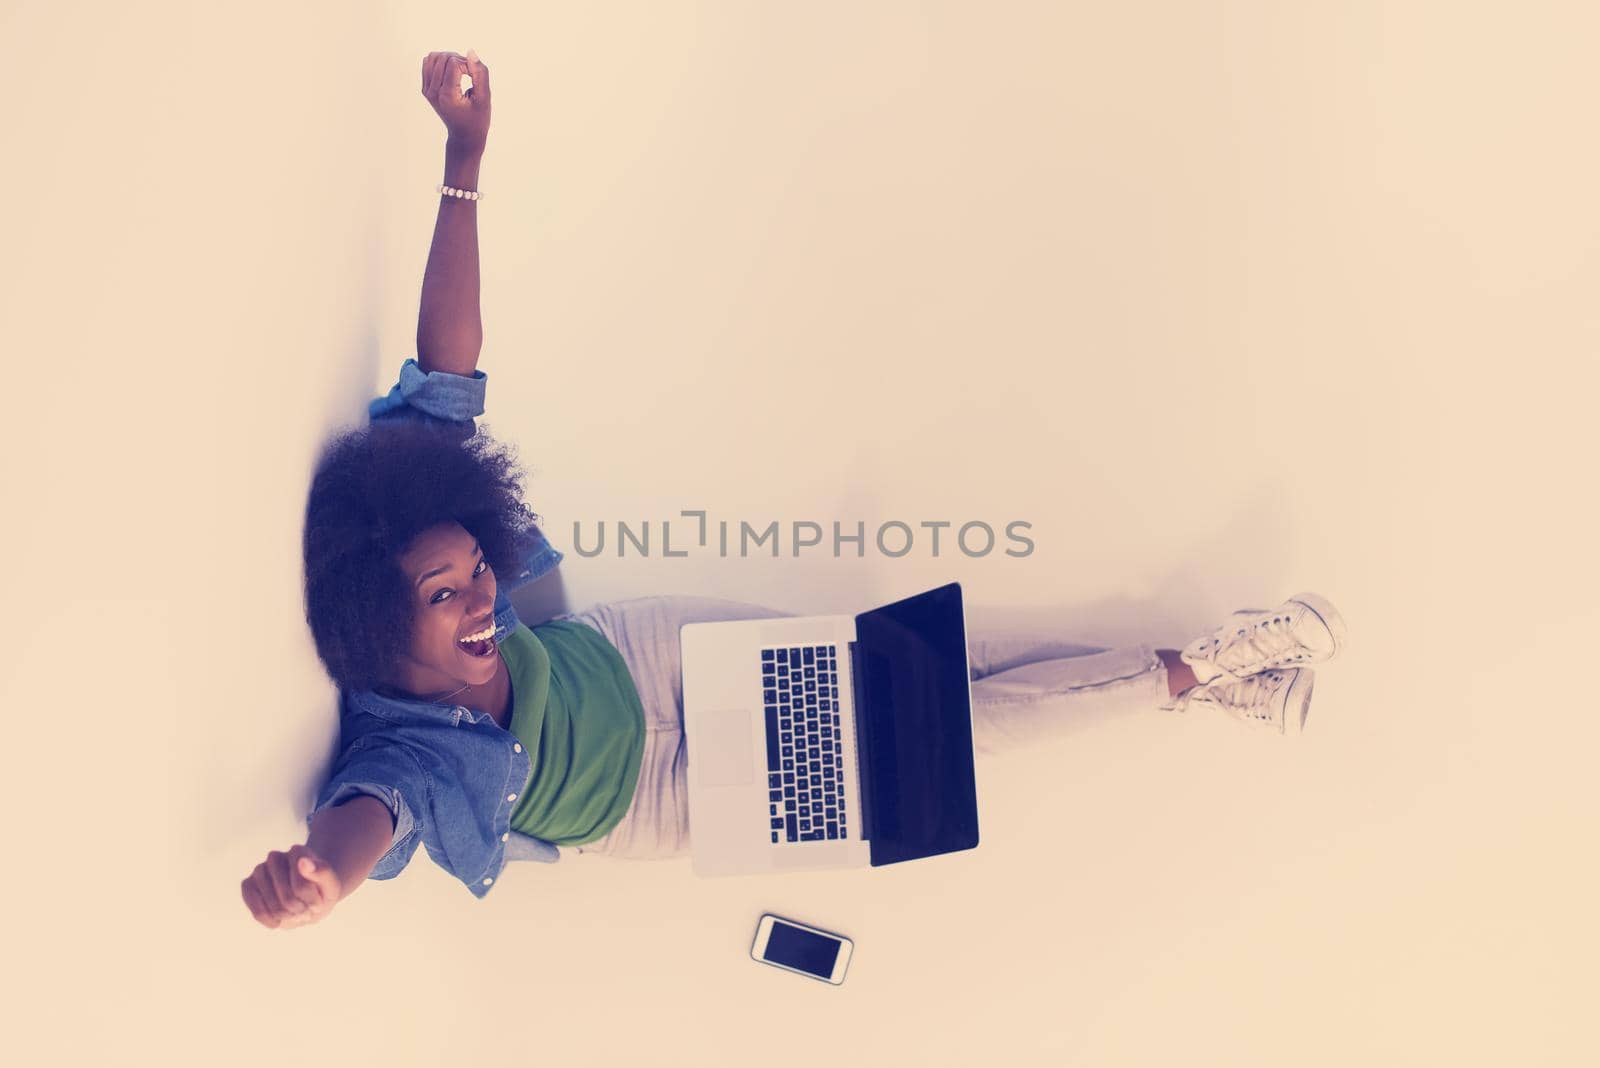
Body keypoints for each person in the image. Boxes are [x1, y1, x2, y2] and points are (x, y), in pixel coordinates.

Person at [240, 50, 1349, 930]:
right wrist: (321, 886)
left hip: (643, 655)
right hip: (657, 802)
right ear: (380, 626)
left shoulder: (419, 508)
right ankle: (1205, 671)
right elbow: (360, 822)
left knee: (933, 672)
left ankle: (1205, 673)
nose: (481, 598)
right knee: (948, 742)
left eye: (476, 571)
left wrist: (465, 157)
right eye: (445, 597)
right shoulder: (403, 756)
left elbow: (445, 369)